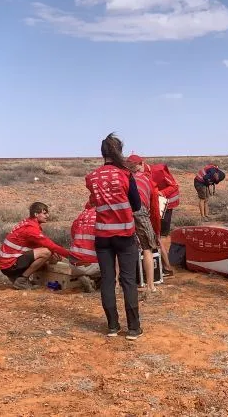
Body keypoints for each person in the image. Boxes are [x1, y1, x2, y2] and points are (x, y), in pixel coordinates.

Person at [85, 133, 143, 340]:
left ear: (102, 153)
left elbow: (93, 202)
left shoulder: (92, 177)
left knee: (108, 280)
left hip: (102, 236)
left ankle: (112, 326)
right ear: (119, 151)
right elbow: (136, 204)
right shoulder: (125, 174)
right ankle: (133, 328)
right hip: (125, 234)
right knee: (128, 280)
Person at [0, 202, 71, 290]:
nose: (47, 216)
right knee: (46, 253)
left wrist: (53, 253)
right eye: (44, 213)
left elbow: (39, 245)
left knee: (49, 255)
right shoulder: (31, 229)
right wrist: (72, 256)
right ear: (36, 214)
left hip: (8, 264)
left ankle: (18, 278)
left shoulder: (28, 223)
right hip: (10, 265)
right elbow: (52, 246)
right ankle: (22, 280)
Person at [127, 154, 161, 294]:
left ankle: (118, 283)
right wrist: (156, 230)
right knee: (147, 248)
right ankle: (150, 285)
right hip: (141, 211)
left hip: (125, 211)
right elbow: (154, 207)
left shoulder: (124, 178)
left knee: (122, 248)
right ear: (140, 164)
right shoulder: (147, 180)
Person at [147, 161, 178, 276]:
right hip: (156, 203)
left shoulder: (158, 171)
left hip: (167, 203)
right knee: (158, 235)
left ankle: (166, 265)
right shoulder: (140, 173)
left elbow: (174, 185)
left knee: (161, 235)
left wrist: (161, 193)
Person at [68, 202, 101, 293]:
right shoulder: (103, 216)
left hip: (72, 263)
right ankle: (96, 281)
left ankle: (87, 277)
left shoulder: (80, 217)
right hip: (90, 265)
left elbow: (73, 235)